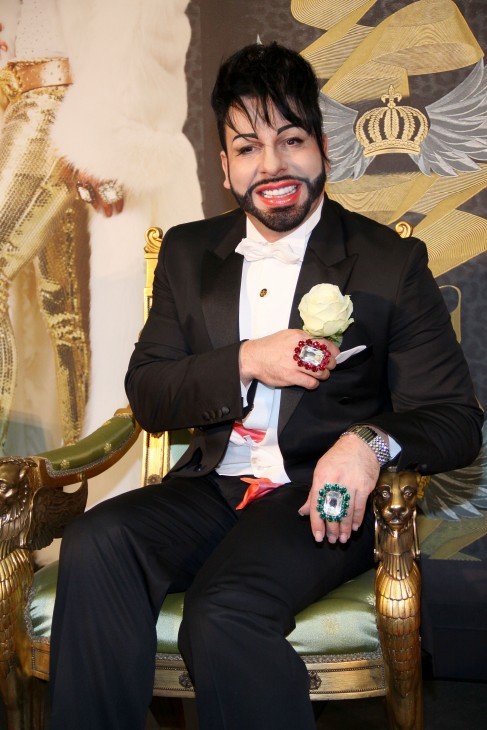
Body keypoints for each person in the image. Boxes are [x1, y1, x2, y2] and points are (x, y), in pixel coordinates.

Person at [49, 43, 483, 730]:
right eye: (247, 147)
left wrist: (365, 444)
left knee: (223, 613)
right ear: (224, 167)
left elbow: (454, 418)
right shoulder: (191, 256)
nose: (272, 165)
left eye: (290, 140)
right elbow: (153, 394)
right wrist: (246, 358)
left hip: (319, 498)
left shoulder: (387, 262)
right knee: (97, 541)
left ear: (322, 149)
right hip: (214, 489)